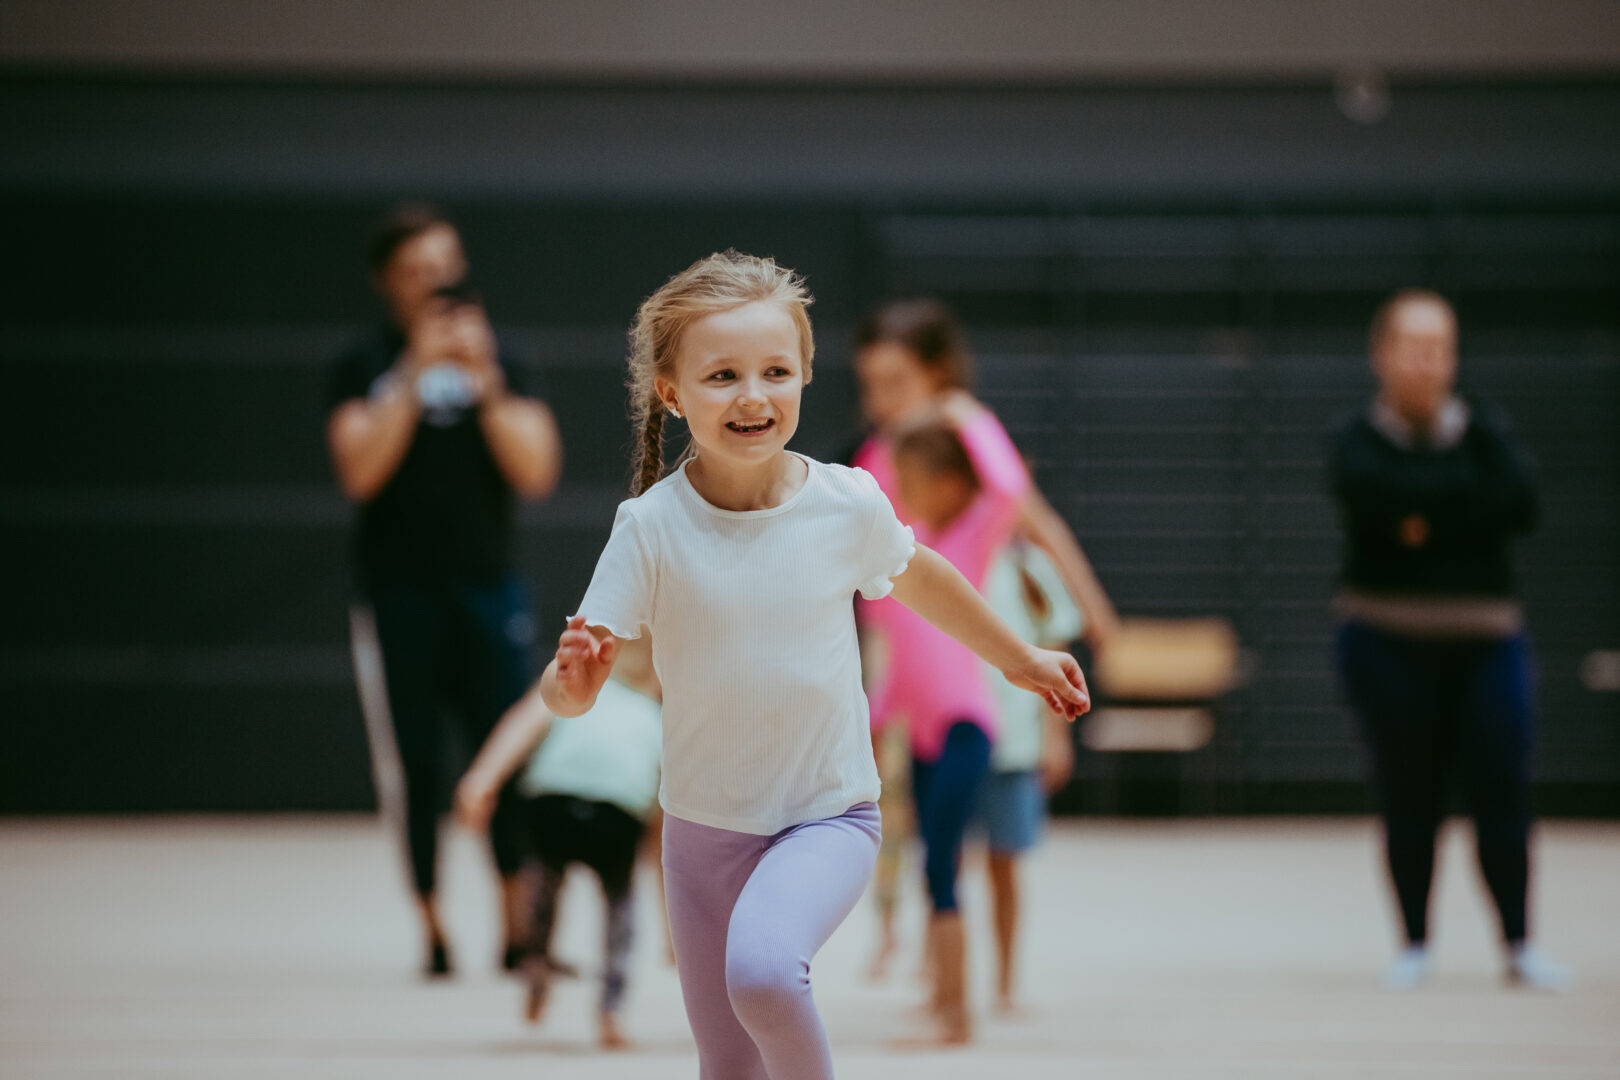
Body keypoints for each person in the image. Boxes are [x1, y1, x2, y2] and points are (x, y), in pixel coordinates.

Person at [539, 250, 1091, 1080]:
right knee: (728, 1065)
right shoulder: (649, 527)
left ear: (803, 374)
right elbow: (569, 683)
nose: (752, 395)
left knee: (764, 974)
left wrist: (1018, 658)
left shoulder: (847, 501)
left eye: (775, 371)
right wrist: (573, 689)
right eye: (722, 375)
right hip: (700, 837)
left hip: (825, 818)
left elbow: (923, 577)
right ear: (672, 393)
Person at [327, 204, 562, 978]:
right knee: (416, 761)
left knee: (507, 750)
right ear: (387, 282)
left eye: (445, 267)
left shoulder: (502, 359)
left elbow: (537, 469)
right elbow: (360, 470)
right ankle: (431, 923)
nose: (435, 282)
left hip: (488, 588)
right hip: (398, 591)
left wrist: (484, 379)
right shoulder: (364, 364)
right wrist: (413, 372)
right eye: (417, 271)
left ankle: (515, 924)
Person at [1329, 288, 1571, 992]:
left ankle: (1519, 943)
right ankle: (1414, 942)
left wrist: (1422, 515)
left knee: (1503, 787)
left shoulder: (1487, 432)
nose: (1427, 362)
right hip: (1385, 640)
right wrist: (1456, 507)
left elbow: (1518, 503)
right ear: (1381, 354)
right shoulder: (1355, 439)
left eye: (1440, 349)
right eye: (1414, 347)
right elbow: (1374, 503)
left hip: (1485, 640)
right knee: (1409, 791)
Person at [869, 408, 1030, 1043]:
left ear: (949, 483)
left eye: (913, 480)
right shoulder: (900, 555)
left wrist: (967, 415)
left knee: (941, 862)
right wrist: (876, 717)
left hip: (966, 727)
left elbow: (1008, 488)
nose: (902, 492)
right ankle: (942, 997)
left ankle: (958, 1014)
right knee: (930, 865)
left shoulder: (968, 539)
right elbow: (902, 657)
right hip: (921, 732)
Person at [456, 634, 663, 1050]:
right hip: (618, 815)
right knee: (620, 905)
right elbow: (662, 823)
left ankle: (535, 967)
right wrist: (672, 924)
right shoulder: (655, 718)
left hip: (550, 804)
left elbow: (521, 725)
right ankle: (611, 1007)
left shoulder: (572, 692)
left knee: (544, 886)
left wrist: (481, 779)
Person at [973, 537, 1082, 1014]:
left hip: (1015, 741)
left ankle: (1005, 982)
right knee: (943, 864)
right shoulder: (947, 552)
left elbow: (1056, 645)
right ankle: (943, 981)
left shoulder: (1028, 564)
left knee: (1006, 865)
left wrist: (1055, 739)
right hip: (952, 736)